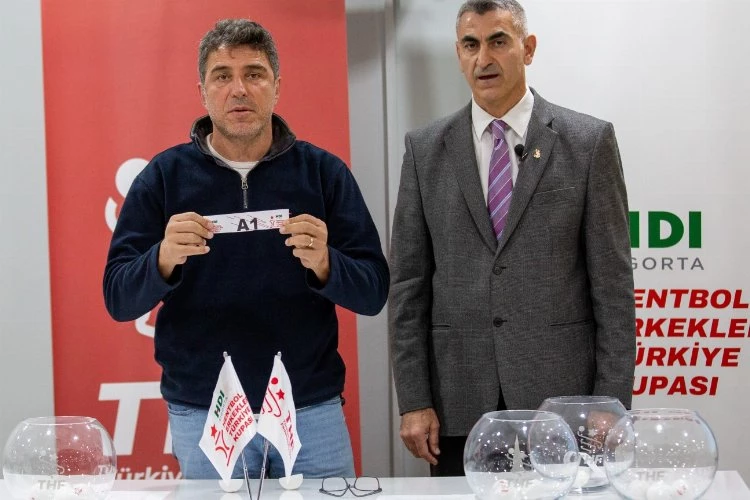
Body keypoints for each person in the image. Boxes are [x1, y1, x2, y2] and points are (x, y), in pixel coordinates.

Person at [103, 19, 389, 479]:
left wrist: (326, 264)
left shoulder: (323, 173)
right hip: (206, 411)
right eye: (223, 76)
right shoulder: (163, 177)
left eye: (254, 74)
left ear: (277, 86)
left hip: (308, 410)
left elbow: (373, 291)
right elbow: (118, 298)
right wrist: (162, 259)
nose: (239, 89)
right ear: (203, 92)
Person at [388, 0, 635, 476]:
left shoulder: (588, 142)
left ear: (528, 48)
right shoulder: (424, 149)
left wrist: (610, 401)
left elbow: (613, 287)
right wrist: (414, 399)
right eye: (471, 45)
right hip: (458, 399)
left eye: (498, 41)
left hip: (564, 404)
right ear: (458, 54)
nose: (484, 58)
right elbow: (408, 287)